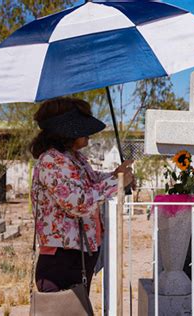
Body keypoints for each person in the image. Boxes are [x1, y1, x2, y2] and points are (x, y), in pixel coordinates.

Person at [30, 97, 134, 293]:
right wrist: (118, 182)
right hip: (61, 258)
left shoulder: (74, 157)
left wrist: (116, 175)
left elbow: (92, 181)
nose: (89, 134)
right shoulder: (51, 161)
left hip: (77, 255)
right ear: (66, 132)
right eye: (82, 128)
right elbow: (79, 202)